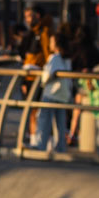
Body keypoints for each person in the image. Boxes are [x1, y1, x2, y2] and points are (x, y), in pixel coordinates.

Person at [70, 22, 99, 161]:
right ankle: (74, 134)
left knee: (77, 111)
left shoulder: (75, 48)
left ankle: (72, 134)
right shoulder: (93, 50)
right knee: (84, 111)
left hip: (80, 83)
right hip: (92, 84)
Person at [32, 22, 75, 155]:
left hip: (51, 94)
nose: (49, 44)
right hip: (63, 95)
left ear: (56, 43)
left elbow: (47, 76)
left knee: (44, 119)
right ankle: (60, 147)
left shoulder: (54, 58)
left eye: (51, 41)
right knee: (60, 123)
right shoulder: (67, 59)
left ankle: (41, 145)